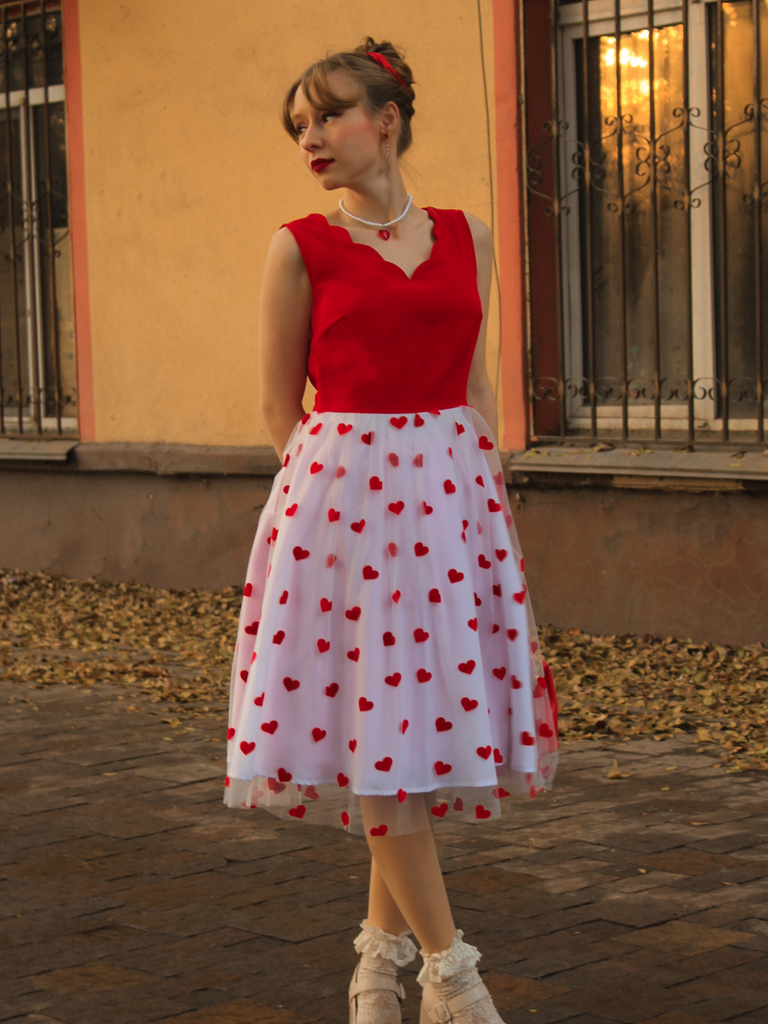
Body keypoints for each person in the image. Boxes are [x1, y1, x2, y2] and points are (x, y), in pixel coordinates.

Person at [222, 36, 559, 1024]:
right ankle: (454, 977)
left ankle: (376, 969)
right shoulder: (300, 245)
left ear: (387, 120)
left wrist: (479, 479)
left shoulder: (471, 235)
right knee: (384, 733)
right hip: (346, 507)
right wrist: (343, 500)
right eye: (299, 127)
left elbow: (476, 378)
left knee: (404, 740)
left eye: (328, 116)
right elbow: (281, 410)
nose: (311, 140)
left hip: (454, 499)